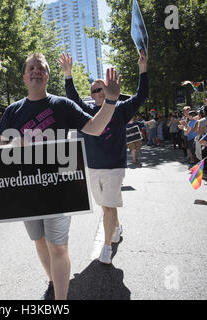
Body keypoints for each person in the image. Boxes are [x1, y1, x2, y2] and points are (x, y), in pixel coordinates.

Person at [0, 52, 119, 300]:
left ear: (47, 75)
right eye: (31, 68)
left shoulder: (63, 105)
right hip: (24, 190)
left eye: (41, 67)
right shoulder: (12, 111)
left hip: (58, 189)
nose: (36, 71)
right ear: (24, 76)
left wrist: (111, 101)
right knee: (40, 241)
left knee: (57, 245)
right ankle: (54, 280)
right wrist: (13, 145)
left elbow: (96, 128)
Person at [60, 50, 148, 265]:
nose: (101, 91)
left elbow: (142, 95)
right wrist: (68, 74)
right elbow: (72, 98)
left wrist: (143, 70)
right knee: (106, 205)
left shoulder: (121, 109)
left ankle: (107, 246)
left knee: (108, 206)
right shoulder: (87, 111)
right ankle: (116, 228)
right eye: (96, 89)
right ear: (92, 95)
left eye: (103, 88)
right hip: (92, 167)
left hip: (114, 167)